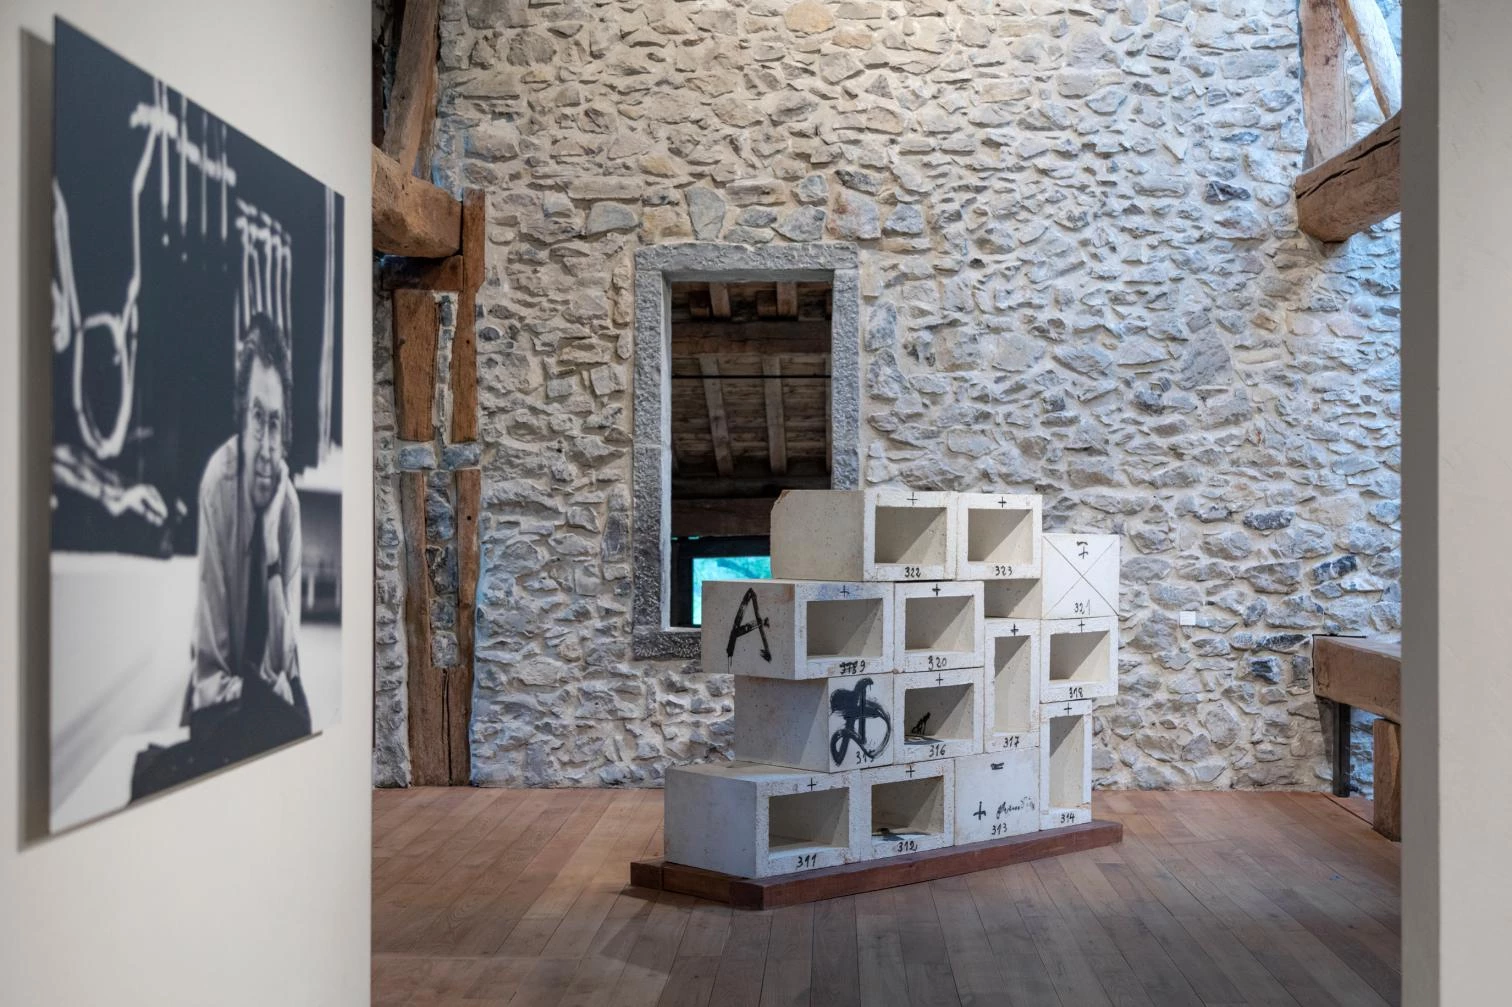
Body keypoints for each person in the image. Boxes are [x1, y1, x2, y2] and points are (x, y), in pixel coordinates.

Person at [182, 312, 309, 763]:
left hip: (268, 700)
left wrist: (271, 546)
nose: (268, 446)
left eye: (275, 422)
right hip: (223, 700)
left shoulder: (287, 504)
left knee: (299, 726)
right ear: (241, 418)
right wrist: (266, 694)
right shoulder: (218, 486)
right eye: (257, 417)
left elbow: (284, 657)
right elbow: (212, 669)